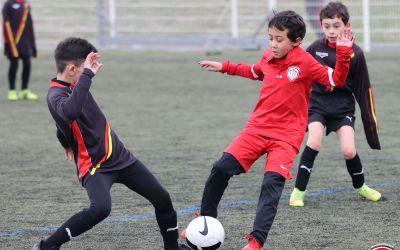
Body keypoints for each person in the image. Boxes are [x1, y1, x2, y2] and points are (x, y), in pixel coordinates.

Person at [182, 10, 354, 250]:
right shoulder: (268, 57)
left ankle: (256, 241)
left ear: (296, 41)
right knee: (220, 168)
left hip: (285, 139)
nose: (273, 44)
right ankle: (205, 222)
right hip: (256, 130)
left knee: (271, 185)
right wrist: (224, 66)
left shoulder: (305, 62)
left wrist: (343, 53)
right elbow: (255, 72)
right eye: (270, 38)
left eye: (279, 39)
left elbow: (336, 80)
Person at [32, 38, 190, 250]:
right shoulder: (55, 95)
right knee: (100, 209)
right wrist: (87, 75)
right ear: (71, 69)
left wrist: (64, 142)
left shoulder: (76, 83)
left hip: (120, 156)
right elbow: (68, 113)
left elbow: (63, 125)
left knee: (162, 199)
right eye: (83, 70)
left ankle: (172, 248)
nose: (87, 73)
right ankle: (47, 246)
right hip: (95, 166)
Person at [289, 1, 382, 207]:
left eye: (336, 26)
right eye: (327, 26)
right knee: (314, 141)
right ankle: (298, 191)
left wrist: (371, 127)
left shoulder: (355, 53)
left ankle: (361, 187)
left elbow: (364, 90)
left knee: (348, 150)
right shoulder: (314, 49)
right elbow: (299, 77)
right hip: (318, 105)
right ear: (321, 25)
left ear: (346, 26)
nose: (331, 31)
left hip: (342, 108)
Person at [2, 0, 38, 101]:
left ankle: (24, 90)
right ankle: (12, 91)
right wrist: (11, 41)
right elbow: (6, 23)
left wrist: (33, 45)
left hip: (25, 42)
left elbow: (29, 25)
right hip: (12, 41)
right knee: (14, 64)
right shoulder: (8, 4)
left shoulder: (26, 4)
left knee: (27, 64)